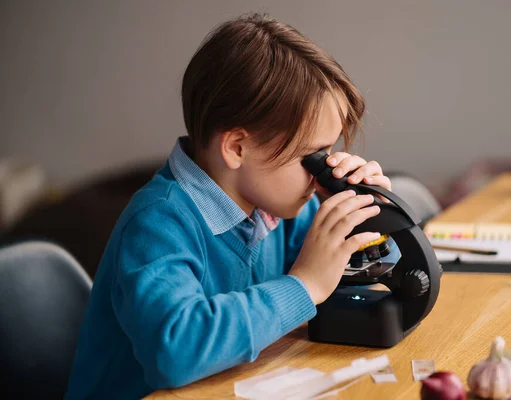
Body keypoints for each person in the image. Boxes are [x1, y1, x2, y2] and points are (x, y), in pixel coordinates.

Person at [65, 12, 399, 399]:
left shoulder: (276, 205)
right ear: (237, 148)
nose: (322, 171)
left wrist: (366, 216)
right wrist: (303, 285)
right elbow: (175, 351)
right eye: (312, 155)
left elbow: (345, 285)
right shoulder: (158, 223)